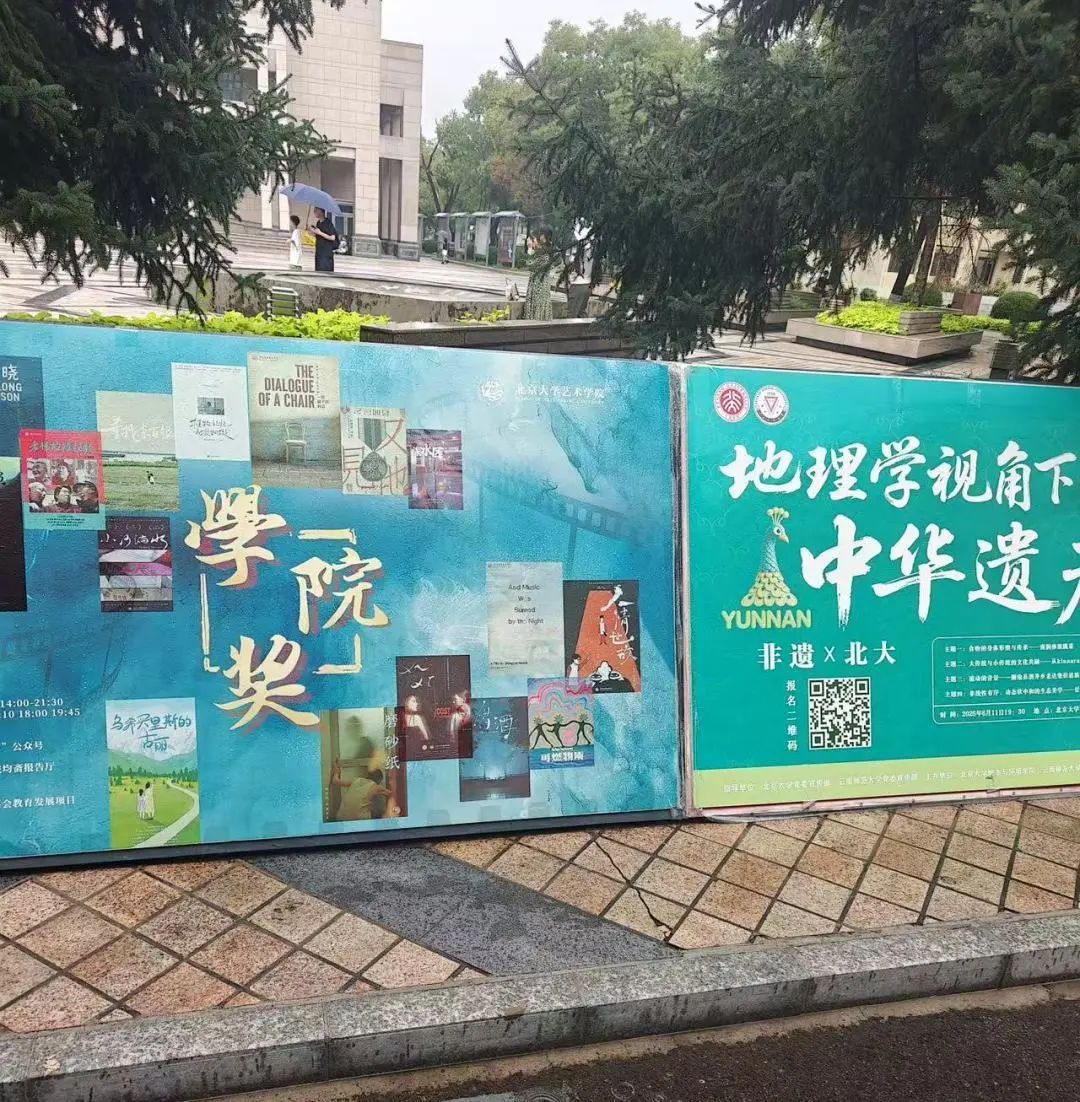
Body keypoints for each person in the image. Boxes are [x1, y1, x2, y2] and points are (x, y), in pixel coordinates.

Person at [328, 735, 392, 821]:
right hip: (359, 820)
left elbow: (335, 781)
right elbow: (390, 794)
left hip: (340, 818)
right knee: (378, 814)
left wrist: (336, 771)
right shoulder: (376, 787)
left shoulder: (356, 781)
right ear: (378, 781)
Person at [523, 226, 556, 321]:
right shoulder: (548, 249)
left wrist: (530, 249)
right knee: (539, 306)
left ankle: (535, 323)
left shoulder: (545, 252)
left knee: (537, 307)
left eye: (540, 235)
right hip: (541, 283)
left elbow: (530, 264)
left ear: (543, 236)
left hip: (539, 285)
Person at [310, 206, 338, 272]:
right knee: (318, 270)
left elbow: (332, 237)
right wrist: (313, 233)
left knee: (325, 272)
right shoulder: (318, 223)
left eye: (316, 210)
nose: (314, 212)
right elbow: (319, 236)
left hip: (326, 253)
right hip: (319, 251)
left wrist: (320, 233)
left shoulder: (328, 223)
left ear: (321, 211)